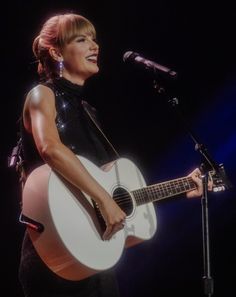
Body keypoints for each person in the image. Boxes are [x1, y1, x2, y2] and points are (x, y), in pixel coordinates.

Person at [17, 12, 206, 297]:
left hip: (94, 254)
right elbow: (51, 149)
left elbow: (117, 197)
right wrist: (105, 199)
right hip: (53, 253)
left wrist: (183, 188)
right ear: (56, 51)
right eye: (82, 39)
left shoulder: (88, 111)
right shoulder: (42, 95)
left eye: (94, 39)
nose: (95, 46)